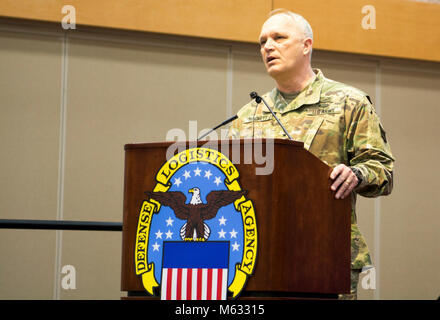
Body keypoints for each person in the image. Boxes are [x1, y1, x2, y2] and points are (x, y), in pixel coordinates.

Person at [228, 9, 395, 299]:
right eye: (263, 41)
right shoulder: (248, 115)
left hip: (324, 257)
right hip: (256, 259)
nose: (268, 47)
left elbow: (383, 171)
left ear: (307, 46)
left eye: (279, 38)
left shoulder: (348, 102)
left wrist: (356, 174)